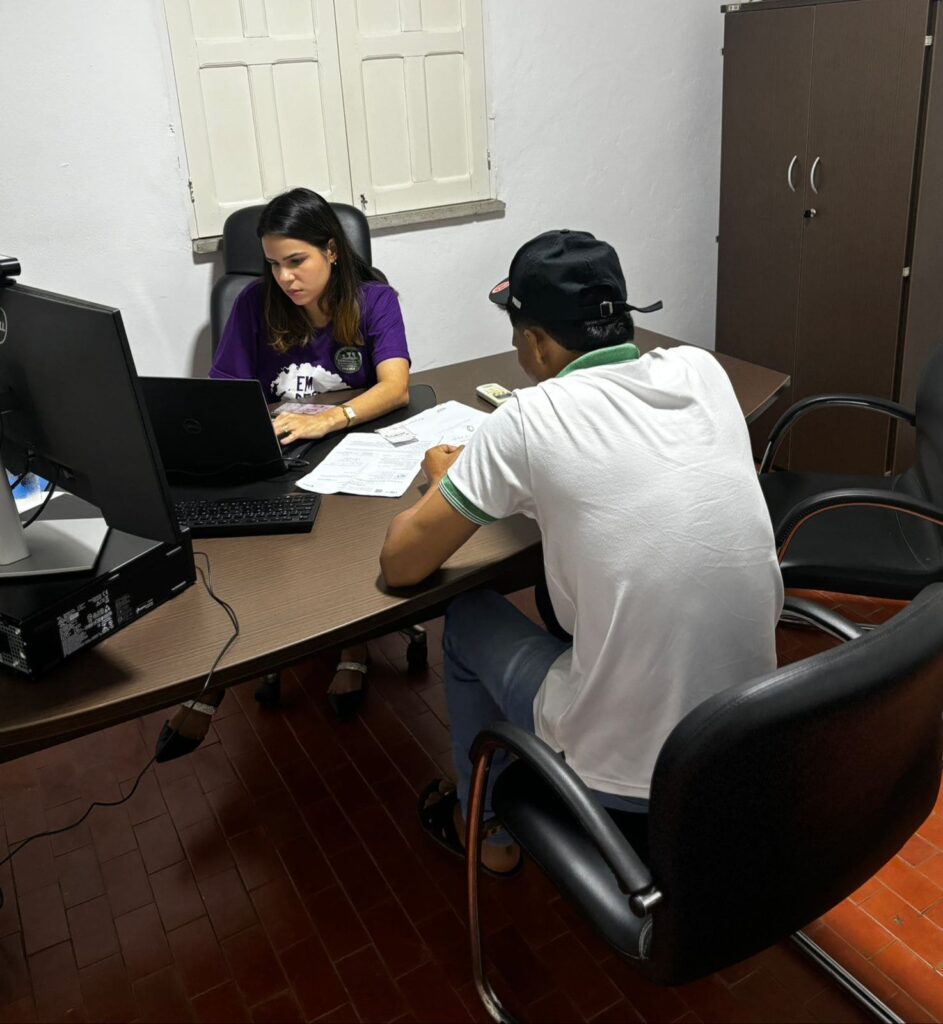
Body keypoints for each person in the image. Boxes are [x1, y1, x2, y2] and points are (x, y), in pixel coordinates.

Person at [379, 229, 784, 876]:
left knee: (466, 617)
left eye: (517, 339)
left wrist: (440, 480)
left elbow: (402, 564)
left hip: (630, 776)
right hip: (749, 739)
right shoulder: (700, 370)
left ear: (538, 343)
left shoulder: (527, 419)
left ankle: (485, 829)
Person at [158, 189, 411, 761]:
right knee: (239, 547)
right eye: (273, 264)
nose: (285, 277)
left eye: (296, 261)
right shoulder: (255, 303)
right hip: (278, 451)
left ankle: (355, 645)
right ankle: (216, 677)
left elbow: (395, 386)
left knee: (346, 538)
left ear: (332, 251)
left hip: (349, 448)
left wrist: (330, 420)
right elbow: (225, 394)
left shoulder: (374, 299)